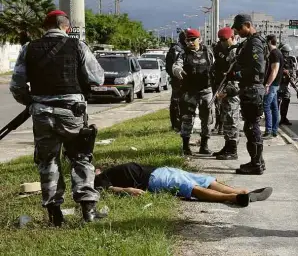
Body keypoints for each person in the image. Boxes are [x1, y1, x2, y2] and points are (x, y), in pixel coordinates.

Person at [9, 10, 105, 227]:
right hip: (72, 112)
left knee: (48, 161)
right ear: (67, 27)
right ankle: (88, 212)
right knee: (81, 157)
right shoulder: (77, 45)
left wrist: (33, 103)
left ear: (45, 28)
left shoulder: (29, 48)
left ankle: (55, 216)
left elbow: (16, 86)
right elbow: (97, 77)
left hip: (42, 114)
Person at [94, 162, 273, 206]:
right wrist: (127, 189)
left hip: (164, 171)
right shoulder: (97, 180)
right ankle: (235, 198)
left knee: (206, 180)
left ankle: (243, 192)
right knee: (193, 189)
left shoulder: (105, 171)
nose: (96, 169)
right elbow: (106, 189)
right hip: (155, 179)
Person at [231, 14, 267, 175]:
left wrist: (238, 74)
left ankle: (256, 163)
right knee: (250, 126)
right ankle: (258, 161)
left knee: (251, 127)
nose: (238, 32)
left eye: (239, 29)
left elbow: (257, 68)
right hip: (250, 89)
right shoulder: (250, 42)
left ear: (247, 25)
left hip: (253, 89)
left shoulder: (254, 43)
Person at [172, 28, 215, 156]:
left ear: (199, 39)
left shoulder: (208, 52)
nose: (190, 42)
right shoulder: (183, 54)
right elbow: (176, 66)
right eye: (188, 40)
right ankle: (185, 146)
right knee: (187, 118)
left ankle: (204, 145)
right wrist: (177, 71)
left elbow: (215, 67)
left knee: (207, 118)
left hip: (206, 90)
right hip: (189, 91)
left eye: (193, 40)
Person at [211, 27, 241, 160]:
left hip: (232, 91)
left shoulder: (236, 52)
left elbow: (237, 76)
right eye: (221, 40)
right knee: (226, 119)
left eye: (225, 39)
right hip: (225, 88)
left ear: (232, 37)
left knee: (232, 119)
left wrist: (228, 90)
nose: (222, 42)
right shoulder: (227, 51)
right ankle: (227, 146)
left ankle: (232, 149)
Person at [166, 30, 187, 132]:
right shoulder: (177, 49)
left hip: (181, 80)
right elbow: (170, 67)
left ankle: (180, 124)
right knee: (177, 102)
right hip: (178, 80)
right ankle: (177, 124)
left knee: (181, 102)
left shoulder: (180, 48)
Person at [263, 35, 283, 138]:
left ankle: (269, 130)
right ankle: (274, 130)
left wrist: (267, 84)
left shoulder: (274, 53)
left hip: (272, 85)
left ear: (269, 42)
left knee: (266, 106)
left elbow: (274, 70)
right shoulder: (278, 52)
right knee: (274, 107)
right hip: (275, 84)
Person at [278, 43, 297, 125]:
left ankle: (283, 118)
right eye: (285, 52)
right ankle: (275, 119)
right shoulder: (278, 59)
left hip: (286, 84)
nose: (287, 54)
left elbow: (293, 70)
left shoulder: (290, 60)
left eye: (287, 52)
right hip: (278, 84)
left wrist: (292, 76)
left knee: (286, 101)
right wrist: (283, 71)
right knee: (276, 102)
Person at [211, 40, 225, 135]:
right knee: (218, 106)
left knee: (220, 106)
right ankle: (219, 125)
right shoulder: (216, 63)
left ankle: (221, 126)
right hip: (217, 84)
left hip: (221, 84)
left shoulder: (221, 62)